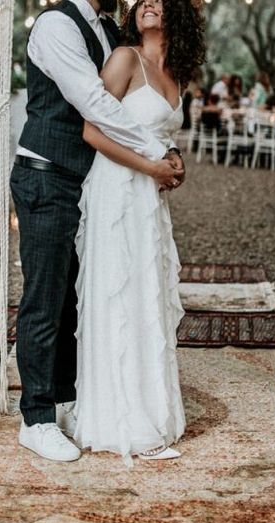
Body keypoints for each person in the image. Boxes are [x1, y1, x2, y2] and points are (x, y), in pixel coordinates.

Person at [11, 0, 186, 462]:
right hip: (47, 172)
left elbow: (130, 102)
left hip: (89, 182)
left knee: (76, 299)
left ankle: (67, 401)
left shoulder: (109, 30)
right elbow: (93, 103)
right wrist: (155, 156)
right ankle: (36, 418)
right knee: (45, 300)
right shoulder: (55, 24)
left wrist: (167, 151)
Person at [74, 0, 205, 460]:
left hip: (150, 198)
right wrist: (150, 167)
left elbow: (164, 136)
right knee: (120, 292)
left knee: (147, 291)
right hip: (117, 189)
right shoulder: (124, 58)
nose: (148, 2)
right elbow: (92, 131)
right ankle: (118, 419)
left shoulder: (177, 74)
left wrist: (175, 163)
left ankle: (153, 409)